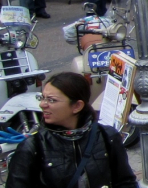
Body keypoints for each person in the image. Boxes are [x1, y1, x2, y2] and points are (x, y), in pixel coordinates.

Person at [6, 72, 137, 188]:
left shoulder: (107, 136)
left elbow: (125, 182)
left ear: (77, 106)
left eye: (51, 100)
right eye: (42, 98)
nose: (42, 105)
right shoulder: (33, 147)